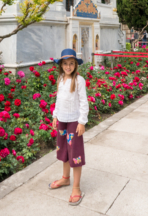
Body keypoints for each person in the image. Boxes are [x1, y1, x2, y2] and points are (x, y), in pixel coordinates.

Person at [49, 48, 89, 206]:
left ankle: (76, 187)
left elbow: (84, 102)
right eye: (65, 63)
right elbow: (59, 99)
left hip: (74, 122)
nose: (68, 66)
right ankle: (65, 178)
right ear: (61, 65)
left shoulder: (79, 80)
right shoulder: (60, 79)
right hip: (62, 121)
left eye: (71, 63)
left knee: (75, 153)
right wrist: (55, 115)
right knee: (64, 150)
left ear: (75, 65)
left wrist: (82, 122)